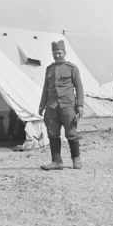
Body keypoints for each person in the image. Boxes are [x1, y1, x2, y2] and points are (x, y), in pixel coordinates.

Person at [39, 40, 84, 170]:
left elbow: (79, 87)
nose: (57, 55)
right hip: (52, 106)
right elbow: (45, 88)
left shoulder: (72, 68)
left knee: (71, 133)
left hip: (68, 106)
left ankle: (76, 159)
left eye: (59, 53)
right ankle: (57, 162)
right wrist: (41, 106)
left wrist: (80, 105)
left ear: (64, 53)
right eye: (54, 53)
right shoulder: (49, 69)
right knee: (52, 133)